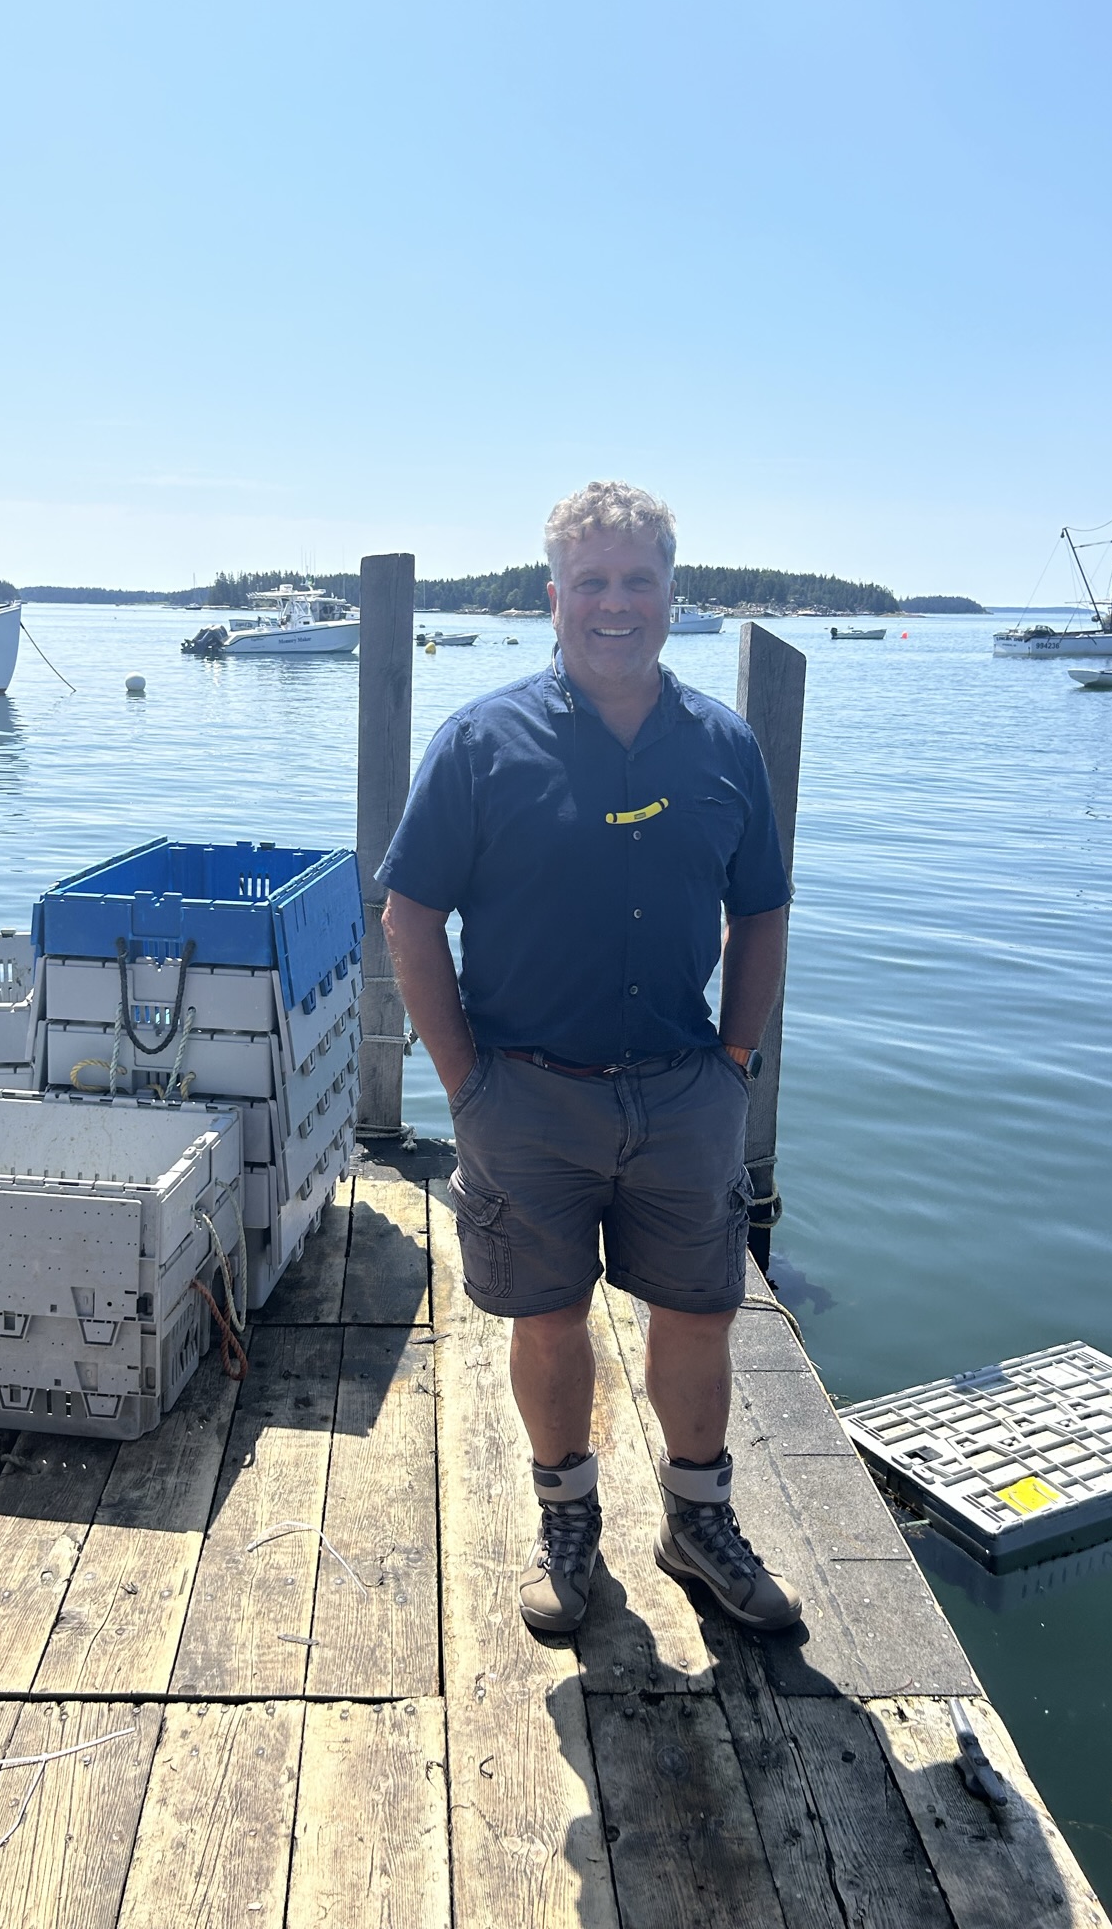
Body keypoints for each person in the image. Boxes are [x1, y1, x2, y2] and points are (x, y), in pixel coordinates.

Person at [379, 479, 802, 1638]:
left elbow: (761, 911)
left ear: (674, 592)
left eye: (639, 579)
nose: (616, 603)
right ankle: (568, 1522)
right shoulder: (480, 741)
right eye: (593, 582)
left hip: (684, 1091)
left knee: (701, 1311)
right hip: (527, 1096)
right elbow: (410, 915)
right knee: (548, 1316)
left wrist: (735, 1059)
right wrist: (465, 1084)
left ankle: (696, 1519)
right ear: (553, 596)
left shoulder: (723, 744)